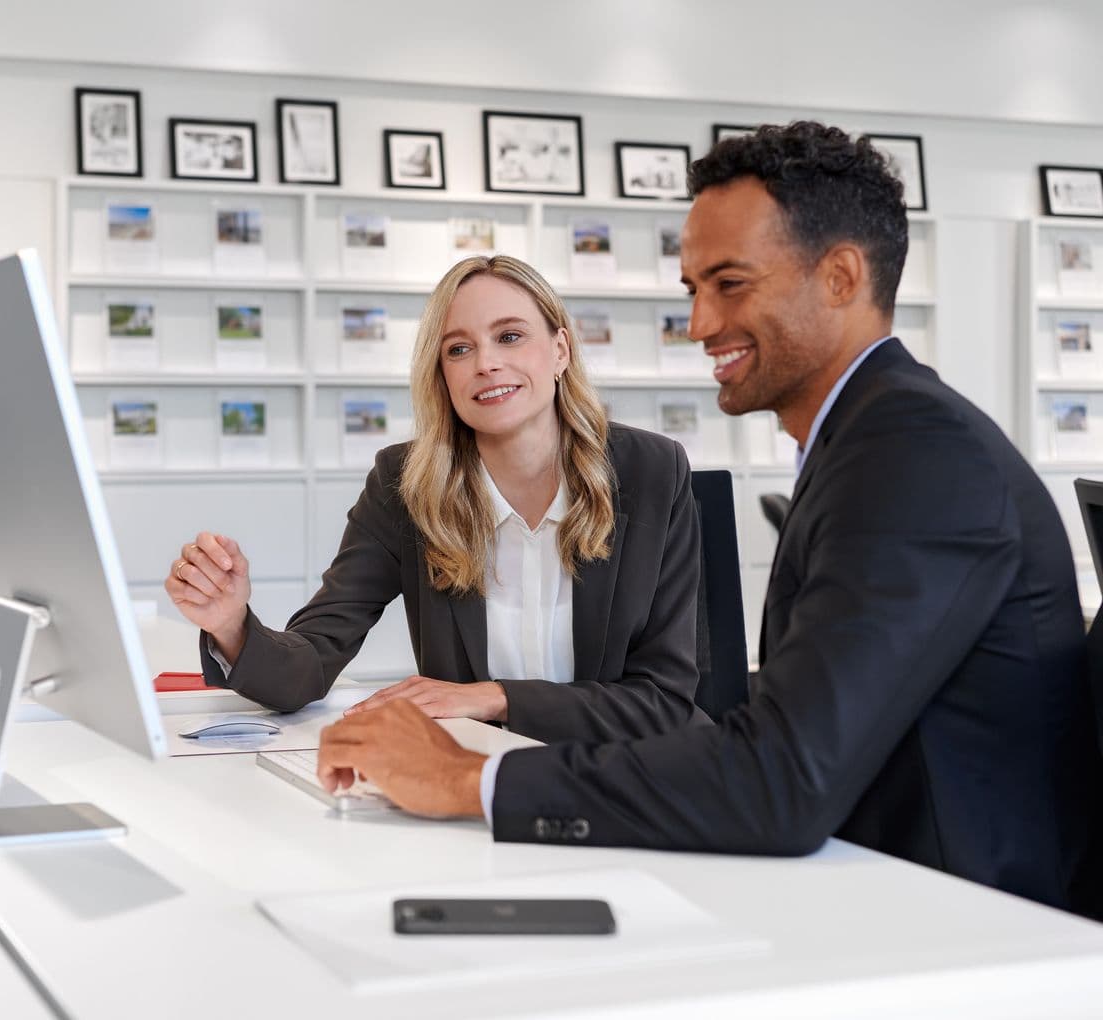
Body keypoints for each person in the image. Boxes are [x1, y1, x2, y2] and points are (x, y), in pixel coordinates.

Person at [315, 121, 1103, 918]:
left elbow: (781, 779)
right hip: (885, 890)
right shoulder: (870, 438)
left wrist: (464, 779)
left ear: (839, 277)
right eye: (694, 289)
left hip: (967, 929)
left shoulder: (914, 453)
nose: (698, 325)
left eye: (730, 284)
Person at [165, 254, 708, 745]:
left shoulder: (652, 471)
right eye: (459, 348)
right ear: (442, 374)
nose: (486, 363)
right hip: (479, 771)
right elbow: (313, 659)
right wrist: (231, 625)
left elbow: (662, 699)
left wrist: (494, 696)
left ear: (561, 349)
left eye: (511, 336)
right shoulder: (403, 484)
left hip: (632, 772)